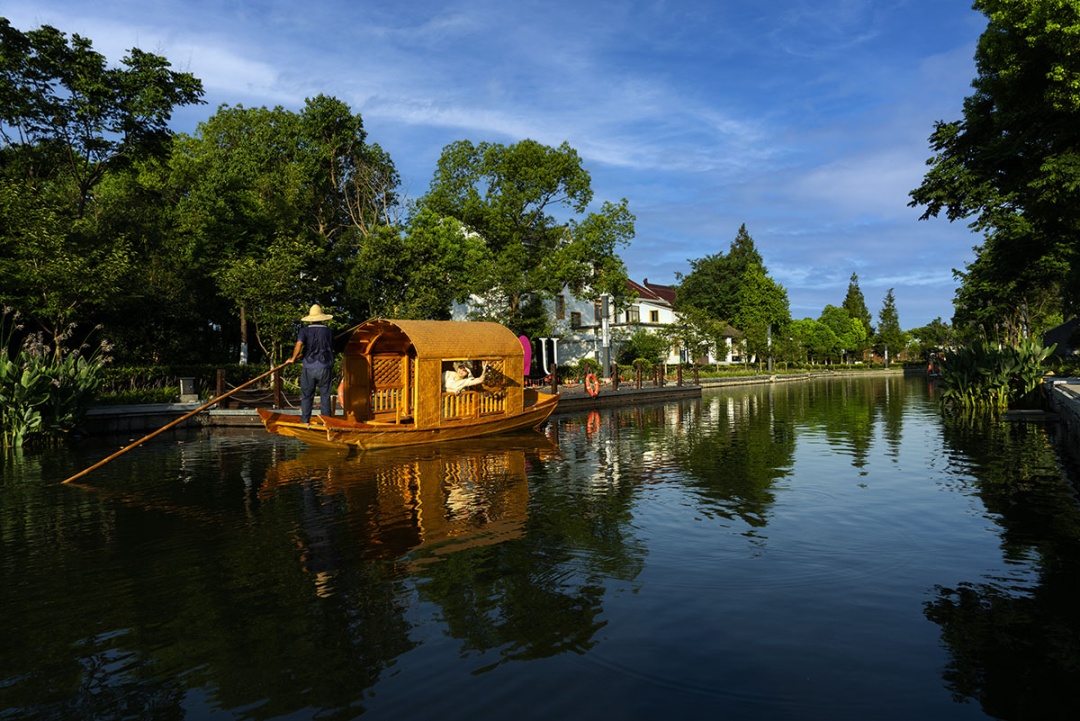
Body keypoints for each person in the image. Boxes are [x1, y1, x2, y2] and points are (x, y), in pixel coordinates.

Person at [286, 304, 335, 423]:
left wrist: (293, 358)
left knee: (307, 395)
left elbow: (299, 344)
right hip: (325, 366)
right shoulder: (329, 331)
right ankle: (326, 422)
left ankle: (305, 421)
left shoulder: (305, 331)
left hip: (309, 366)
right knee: (325, 396)